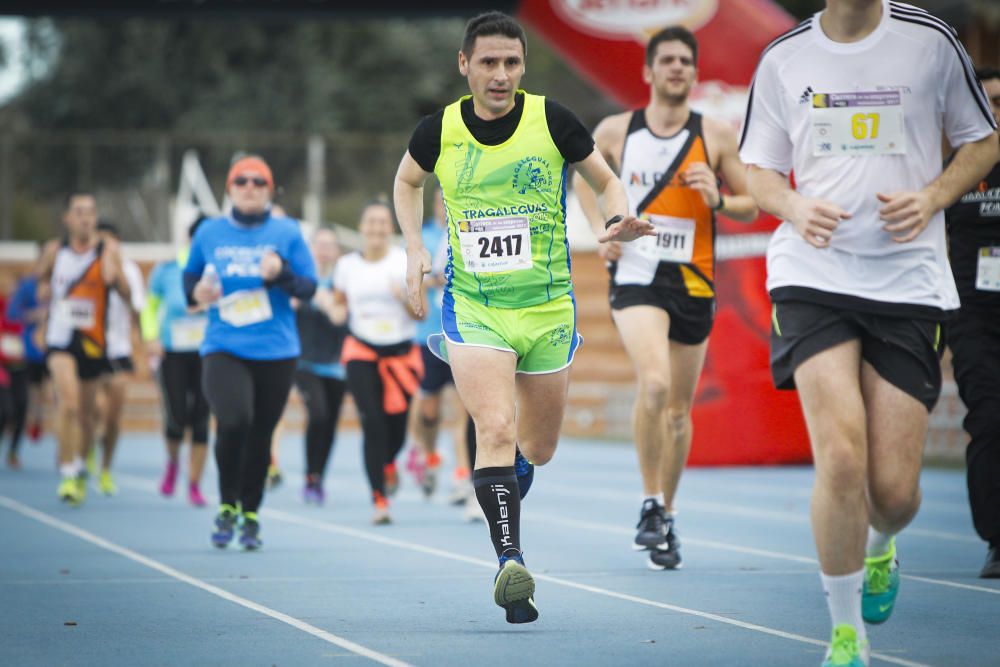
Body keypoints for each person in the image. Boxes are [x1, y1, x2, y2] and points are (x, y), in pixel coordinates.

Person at [739, 1, 999, 664]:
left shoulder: (931, 41)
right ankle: (845, 632)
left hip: (907, 281)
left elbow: (985, 140)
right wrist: (794, 204)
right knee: (843, 457)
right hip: (812, 273)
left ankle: (883, 543)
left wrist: (934, 196)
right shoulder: (784, 57)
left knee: (894, 493)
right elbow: (759, 170)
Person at [393, 11, 653, 624]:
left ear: (523, 66)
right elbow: (406, 184)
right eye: (488, 62)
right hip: (475, 307)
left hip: (547, 308)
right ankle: (510, 559)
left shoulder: (553, 120)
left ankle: (504, 492)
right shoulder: (440, 130)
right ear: (465, 65)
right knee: (494, 427)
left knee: (536, 445)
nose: (501, 74)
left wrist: (618, 220)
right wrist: (415, 247)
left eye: (512, 62)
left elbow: (607, 181)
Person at [574, 26, 759, 571]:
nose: (677, 68)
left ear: (695, 74)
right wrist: (602, 230)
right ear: (648, 72)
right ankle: (650, 500)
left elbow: (751, 203)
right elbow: (584, 180)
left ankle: (667, 514)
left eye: (686, 61)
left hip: (695, 280)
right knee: (653, 382)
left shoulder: (716, 136)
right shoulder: (616, 131)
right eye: (668, 60)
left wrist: (718, 198)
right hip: (636, 273)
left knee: (679, 411)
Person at [185, 155, 317, 550]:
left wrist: (282, 275)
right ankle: (227, 503)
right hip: (224, 346)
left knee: (260, 433)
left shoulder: (287, 231)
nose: (249, 187)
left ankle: (251, 511)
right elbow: (189, 275)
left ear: (269, 190)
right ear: (229, 188)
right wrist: (196, 292)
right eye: (241, 181)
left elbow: (309, 288)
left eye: (259, 182)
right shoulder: (209, 232)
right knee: (234, 419)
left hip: (276, 350)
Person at [331, 201, 424, 524]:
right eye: (371, 222)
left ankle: (388, 464)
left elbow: (420, 311)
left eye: (383, 222)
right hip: (361, 353)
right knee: (372, 422)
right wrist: (333, 311)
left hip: (400, 354)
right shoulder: (346, 267)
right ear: (361, 228)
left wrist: (403, 297)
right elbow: (338, 305)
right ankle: (379, 499)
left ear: (392, 228)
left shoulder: (402, 262)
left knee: (396, 430)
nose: (377, 228)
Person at [37, 192, 131, 506]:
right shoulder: (55, 251)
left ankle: (80, 465)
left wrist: (115, 278)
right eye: (78, 212)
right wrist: (43, 289)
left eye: (90, 212)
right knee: (70, 404)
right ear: (67, 218)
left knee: (88, 417)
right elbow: (41, 281)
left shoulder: (108, 251)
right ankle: (68, 469)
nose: (85, 218)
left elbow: (128, 295)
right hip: (61, 338)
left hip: (94, 341)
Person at [946, 67, 1000, 580]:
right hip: (973, 317)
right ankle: (997, 540)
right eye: (984, 104)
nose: (993, 113)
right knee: (988, 418)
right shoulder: (949, 175)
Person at [405, 185, 472, 501]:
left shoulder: (468, 229)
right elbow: (416, 277)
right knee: (429, 411)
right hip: (428, 335)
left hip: (460, 333)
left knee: (465, 410)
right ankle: (429, 455)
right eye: (440, 200)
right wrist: (433, 279)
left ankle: (463, 476)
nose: (444, 205)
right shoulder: (424, 237)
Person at [141, 215, 212, 507]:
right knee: (176, 416)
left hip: (209, 353)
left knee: (201, 420)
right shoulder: (168, 268)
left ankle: (194, 484)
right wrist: (151, 338)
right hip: (172, 352)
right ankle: (172, 463)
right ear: (192, 239)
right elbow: (150, 306)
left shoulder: (220, 270)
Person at [88, 221, 146, 496]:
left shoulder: (130, 271)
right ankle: (86, 448)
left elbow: (137, 309)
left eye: (110, 240)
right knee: (93, 409)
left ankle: (106, 468)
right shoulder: (84, 267)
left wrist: (141, 343)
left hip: (119, 349)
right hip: (89, 349)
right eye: (100, 239)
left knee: (113, 417)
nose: (105, 245)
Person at [294, 226, 349, 506]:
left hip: (337, 364)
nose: (325, 250)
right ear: (311, 249)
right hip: (305, 362)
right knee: (317, 413)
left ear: (337, 251)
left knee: (329, 423)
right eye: (320, 245)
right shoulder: (302, 280)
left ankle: (318, 477)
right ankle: (309, 475)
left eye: (331, 245)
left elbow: (346, 317)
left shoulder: (344, 282)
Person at [6, 262, 50, 447]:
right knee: (31, 393)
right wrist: (34, 315)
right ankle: (33, 420)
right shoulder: (27, 286)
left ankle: (65, 449)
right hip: (31, 351)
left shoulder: (65, 283)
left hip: (56, 349)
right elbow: (12, 313)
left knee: (57, 392)